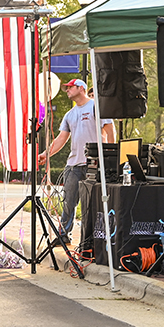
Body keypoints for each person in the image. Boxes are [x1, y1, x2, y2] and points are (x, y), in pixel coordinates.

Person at [42, 79, 115, 241]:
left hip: (94, 164)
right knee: (69, 200)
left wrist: (111, 158)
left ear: (80, 88)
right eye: (66, 88)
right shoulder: (70, 114)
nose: (66, 90)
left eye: (70, 87)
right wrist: (46, 154)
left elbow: (110, 131)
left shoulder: (96, 106)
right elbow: (61, 138)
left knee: (92, 203)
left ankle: (90, 238)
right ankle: (63, 234)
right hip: (73, 165)